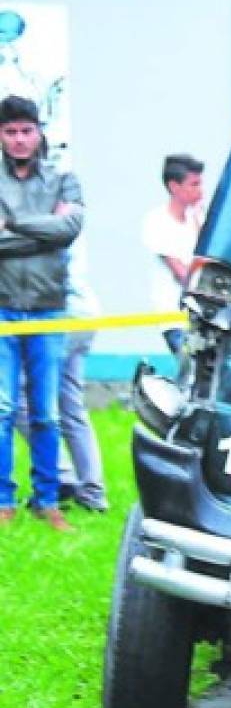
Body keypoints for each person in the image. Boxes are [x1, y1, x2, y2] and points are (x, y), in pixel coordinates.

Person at [0, 94, 82, 531]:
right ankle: (3, 500)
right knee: (2, 408)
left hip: (50, 309)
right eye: (10, 131)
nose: (18, 139)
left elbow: (69, 229)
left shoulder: (62, 178)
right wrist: (43, 229)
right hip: (3, 310)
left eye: (25, 130)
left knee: (46, 412)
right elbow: (53, 231)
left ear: (39, 132)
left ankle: (47, 500)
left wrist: (12, 225)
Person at [14, 235, 109, 512]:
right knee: (70, 404)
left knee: (22, 395)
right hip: (83, 312)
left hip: (60, 315)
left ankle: (62, 475)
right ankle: (92, 491)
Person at [141, 153, 204, 355]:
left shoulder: (197, 217)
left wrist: (197, 218)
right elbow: (181, 272)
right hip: (173, 315)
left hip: (201, 316)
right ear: (174, 187)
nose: (200, 191)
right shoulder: (157, 221)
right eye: (193, 184)